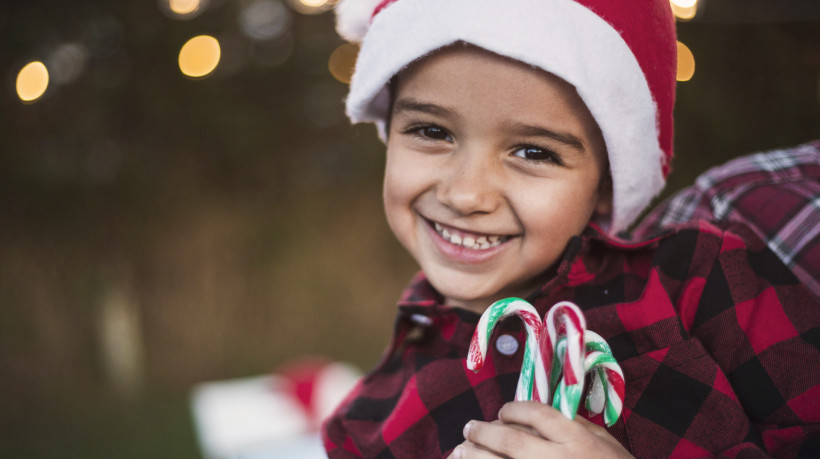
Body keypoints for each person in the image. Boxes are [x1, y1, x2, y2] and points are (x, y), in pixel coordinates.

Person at [322, 0, 820, 457]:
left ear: (606, 184)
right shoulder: (365, 427)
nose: (465, 195)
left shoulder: (704, 282)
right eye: (432, 131)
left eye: (534, 152)